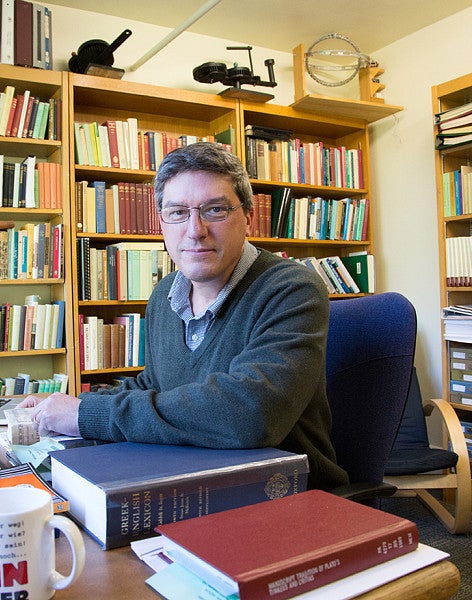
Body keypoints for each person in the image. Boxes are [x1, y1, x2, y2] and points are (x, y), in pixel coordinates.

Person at [20, 141, 348, 491]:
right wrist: (71, 405)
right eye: (177, 212)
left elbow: (251, 413)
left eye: (215, 210)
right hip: (189, 478)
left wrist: (86, 417)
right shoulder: (164, 295)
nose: (195, 229)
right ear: (162, 222)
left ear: (248, 218)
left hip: (284, 494)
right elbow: (154, 385)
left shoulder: (292, 288)